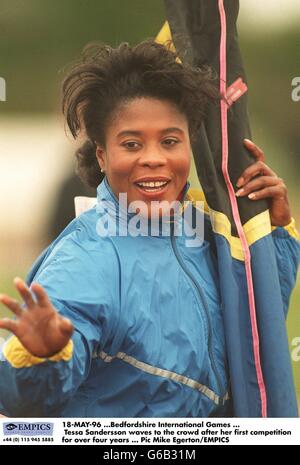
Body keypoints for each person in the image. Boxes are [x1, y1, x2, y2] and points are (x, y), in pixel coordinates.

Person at [0, 40, 298, 417]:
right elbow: (25, 403)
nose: (154, 158)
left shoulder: (208, 234)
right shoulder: (85, 259)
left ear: (190, 146)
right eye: (132, 144)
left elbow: (256, 331)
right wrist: (44, 357)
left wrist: (271, 230)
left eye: (170, 141)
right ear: (103, 156)